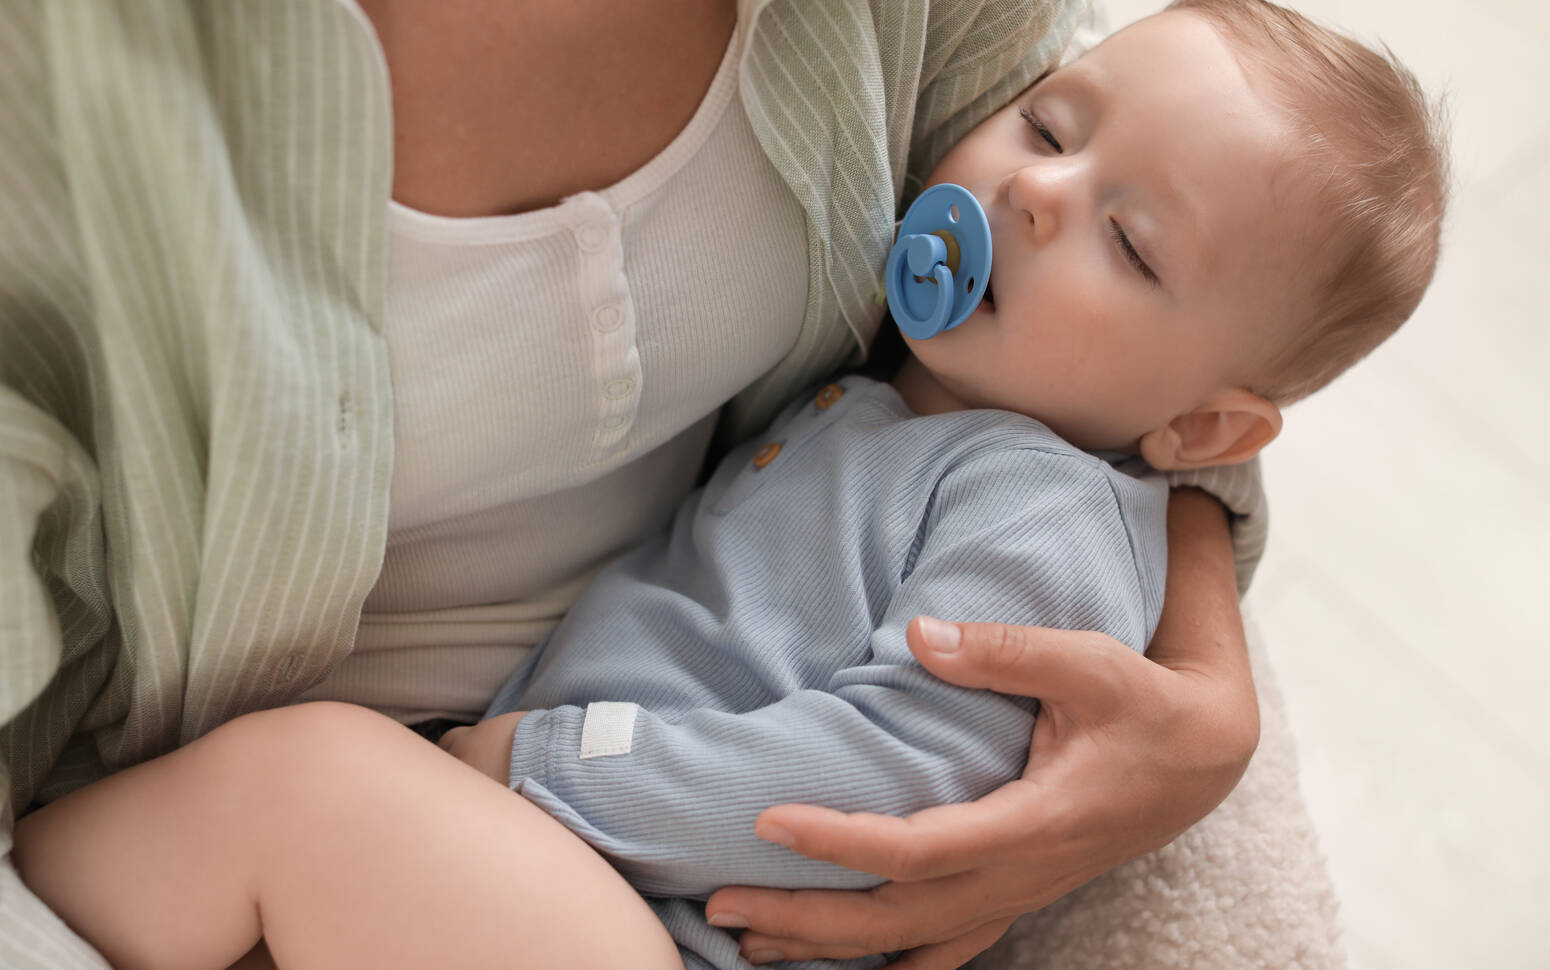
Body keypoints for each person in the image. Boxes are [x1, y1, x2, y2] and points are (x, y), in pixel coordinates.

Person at [11, 2, 1448, 968]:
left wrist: (543, 768)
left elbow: (895, 769)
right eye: (1047, 130)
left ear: (1202, 424)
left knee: (307, 786)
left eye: (1128, 248)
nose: (1029, 192)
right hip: (546, 863)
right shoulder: (892, 407)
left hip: (656, 922)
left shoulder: (1036, 510)